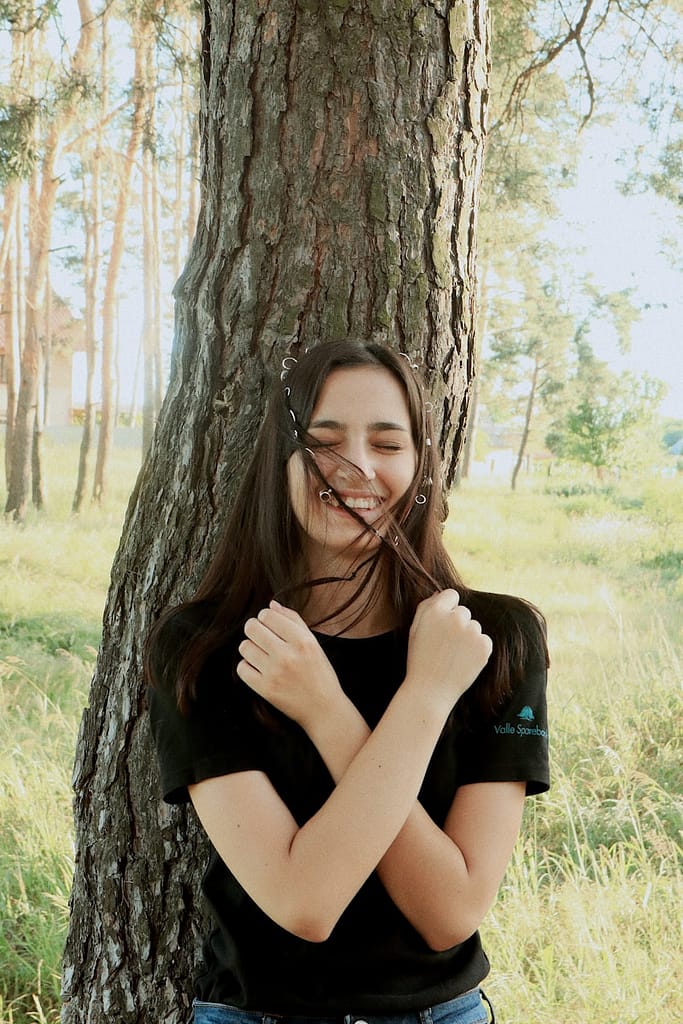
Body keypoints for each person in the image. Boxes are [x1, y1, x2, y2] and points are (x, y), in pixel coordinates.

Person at [146, 339, 550, 1024]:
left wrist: (376, 701)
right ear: (281, 464)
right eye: (323, 440)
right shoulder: (212, 648)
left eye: (388, 445)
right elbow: (306, 901)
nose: (357, 466)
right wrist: (397, 702)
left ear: (422, 467)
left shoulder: (490, 640)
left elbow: (449, 912)